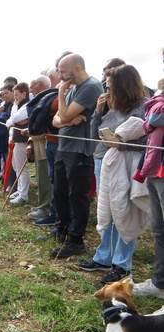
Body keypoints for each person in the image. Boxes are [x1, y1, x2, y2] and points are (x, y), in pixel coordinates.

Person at [78, 64, 148, 283]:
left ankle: (122, 264)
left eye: (111, 87)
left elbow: (148, 142)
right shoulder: (112, 107)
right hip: (107, 163)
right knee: (107, 210)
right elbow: (96, 136)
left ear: (123, 87)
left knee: (125, 212)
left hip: (130, 167)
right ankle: (104, 256)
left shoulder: (144, 107)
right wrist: (98, 114)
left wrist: (120, 145)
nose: (107, 91)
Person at [51, 54, 103, 258]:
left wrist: (62, 95)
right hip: (65, 145)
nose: (60, 75)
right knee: (60, 190)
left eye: (63, 71)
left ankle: (76, 240)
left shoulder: (90, 87)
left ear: (78, 68)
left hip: (80, 149)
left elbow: (61, 115)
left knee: (77, 195)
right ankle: (63, 229)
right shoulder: (73, 87)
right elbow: (56, 121)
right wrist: (66, 121)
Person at [132, 50, 164, 299]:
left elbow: (155, 116)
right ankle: (160, 283)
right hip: (155, 165)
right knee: (158, 228)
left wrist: (154, 117)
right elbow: (150, 116)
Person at [26, 75, 53, 220]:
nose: (30, 89)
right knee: (40, 175)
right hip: (38, 143)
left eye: (33, 85)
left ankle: (45, 208)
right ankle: (42, 205)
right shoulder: (42, 99)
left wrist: (32, 132)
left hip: (45, 144)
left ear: (41, 85)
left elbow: (44, 125)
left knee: (45, 177)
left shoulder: (48, 99)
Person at [7, 82, 31, 205]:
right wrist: (13, 121)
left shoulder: (27, 105)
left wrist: (13, 121)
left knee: (22, 168)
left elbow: (14, 119)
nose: (15, 97)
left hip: (22, 141)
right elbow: (13, 118)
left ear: (24, 93)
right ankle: (20, 190)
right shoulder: (17, 105)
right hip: (16, 139)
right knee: (16, 166)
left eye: (17, 94)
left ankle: (23, 195)